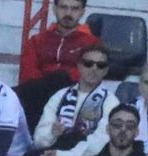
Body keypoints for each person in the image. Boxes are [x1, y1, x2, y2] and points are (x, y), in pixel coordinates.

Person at [30, 45, 116, 156]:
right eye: (88, 64)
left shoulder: (110, 102)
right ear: (79, 66)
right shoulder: (60, 95)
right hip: (52, 155)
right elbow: (38, 139)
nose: (94, 69)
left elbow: (99, 143)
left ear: (106, 70)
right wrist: (52, 133)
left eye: (100, 65)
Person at [16, 0, 99, 132]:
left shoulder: (91, 43)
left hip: (73, 96)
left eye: (74, 9)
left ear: (82, 12)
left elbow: (87, 75)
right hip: (37, 96)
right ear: (54, 9)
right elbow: (28, 74)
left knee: (60, 77)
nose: (68, 13)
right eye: (63, 7)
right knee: (9, 95)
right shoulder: (37, 40)